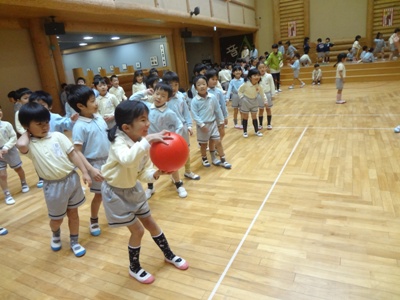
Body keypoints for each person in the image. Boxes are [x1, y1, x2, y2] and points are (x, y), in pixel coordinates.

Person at [100, 100, 189, 284]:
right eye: (142, 120)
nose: (148, 124)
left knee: (151, 223)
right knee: (138, 231)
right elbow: (127, 160)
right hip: (115, 194)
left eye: (147, 119)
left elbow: (142, 172)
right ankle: (134, 268)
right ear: (126, 127)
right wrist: (147, 140)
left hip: (133, 189)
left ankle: (168, 254)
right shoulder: (118, 141)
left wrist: (157, 173)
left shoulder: (141, 142)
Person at [16, 102, 91, 257]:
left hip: (71, 180)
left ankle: (74, 241)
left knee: (73, 214)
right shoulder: (30, 144)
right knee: (57, 219)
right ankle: (56, 233)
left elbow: (73, 154)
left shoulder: (58, 136)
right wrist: (27, 132)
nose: (45, 126)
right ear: (27, 126)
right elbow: (20, 144)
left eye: (46, 122)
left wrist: (85, 172)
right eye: (39, 124)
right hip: (53, 186)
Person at [67, 84, 110, 236]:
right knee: (99, 195)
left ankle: (116, 213)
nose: (96, 103)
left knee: (113, 190)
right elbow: (77, 152)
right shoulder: (79, 126)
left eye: (95, 99)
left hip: (109, 161)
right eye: (92, 101)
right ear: (80, 106)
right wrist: (89, 170)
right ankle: (93, 219)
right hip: (95, 164)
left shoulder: (98, 117)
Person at [147, 82, 187, 198]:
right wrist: (144, 92)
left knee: (172, 165)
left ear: (168, 99)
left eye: (163, 96)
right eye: (157, 93)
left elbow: (179, 125)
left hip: (165, 145)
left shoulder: (170, 113)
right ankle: (150, 187)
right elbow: (134, 99)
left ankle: (178, 184)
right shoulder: (147, 109)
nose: (159, 97)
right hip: (150, 144)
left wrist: (174, 140)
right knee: (148, 167)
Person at [162, 71, 200, 182]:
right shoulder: (163, 99)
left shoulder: (180, 97)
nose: (173, 87)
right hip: (169, 131)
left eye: (176, 84)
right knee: (172, 153)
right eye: (170, 85)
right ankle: (175, 176)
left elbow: (186, 113)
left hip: (182, 128)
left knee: (185, 150)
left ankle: (188, 171)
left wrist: (189, 125)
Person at [191, 75, 231, 169]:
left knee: (217, 141)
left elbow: (217, 109)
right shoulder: (194, 101)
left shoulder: (212, 97)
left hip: (213, 123)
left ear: (207, 85)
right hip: (202, 126)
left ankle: (222, 159)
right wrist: (202, 125)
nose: (202, 86)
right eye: (199, 85)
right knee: (204, 144)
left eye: (204, 84)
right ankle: (204, 158)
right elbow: (194, 115)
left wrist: (221, 121)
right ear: (195, 87)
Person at [0, 105, 30, 205]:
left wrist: (6, 147)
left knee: (18, 168)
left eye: (0, 110)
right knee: (2, 175)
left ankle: (24, 183)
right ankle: (7, 194)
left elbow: (13, 137)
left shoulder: (6, 125)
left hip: (10, 150)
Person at [206, 69, 228, 163]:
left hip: (219, 116)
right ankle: (214, 150)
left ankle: (216, 146)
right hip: (209, 117)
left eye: (216, 79)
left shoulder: (218, 92)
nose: (215, 81)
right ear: (207, 80)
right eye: (212, 79)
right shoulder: (204, 92)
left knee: (222, 133)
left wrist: (225, 116)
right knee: (213, 136)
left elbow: (222, 105)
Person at [237, 68, 267, 138]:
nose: (257, 77)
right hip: (245, 101)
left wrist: (265, 101)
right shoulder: (245, 84)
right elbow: (239, 91)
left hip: (254, 101)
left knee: (254, 116)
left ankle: (256, 131)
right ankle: (245, 132)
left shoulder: (259, 85)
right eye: (254, 75)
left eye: (258, 75)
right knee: (245, 117)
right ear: (250, 77)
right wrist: (242, 98)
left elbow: (262, 94)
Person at [257, 61, 275, 130]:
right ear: (258, 69)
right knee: (261, 110)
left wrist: (273, 94)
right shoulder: (257, 76)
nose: (262, 69)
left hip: (267, 94)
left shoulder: (269, 76)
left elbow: (272, 85)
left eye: (263, 67)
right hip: (259, 95)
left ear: (266, 68)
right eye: (260, 68)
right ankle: (260, 124)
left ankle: (269, 124)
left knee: (268, 109)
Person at [225, 64, 244, 129]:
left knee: (242, 111)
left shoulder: (243, 80)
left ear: (241, 71)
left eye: (239, 70)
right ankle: (235, 123)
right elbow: (229, 89)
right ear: (233, 73)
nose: (238, 72)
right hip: (235, 96)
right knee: (235, 110)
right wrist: (227, 98)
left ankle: (242, 123)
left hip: (242, 96)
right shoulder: (232, 81)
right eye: (236, 71)